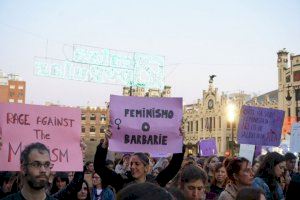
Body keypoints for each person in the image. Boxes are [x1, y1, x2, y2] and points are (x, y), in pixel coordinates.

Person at [94, 130, 185, 192]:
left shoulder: (155, 183)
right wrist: (104, 145)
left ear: (146, 167)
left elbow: (174, 167)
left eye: (137, 164)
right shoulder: (121, 181)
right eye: (131, 163)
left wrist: (179, 144)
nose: (133, 167)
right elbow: (99, 167)